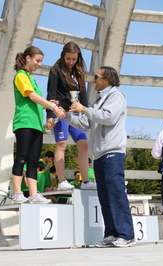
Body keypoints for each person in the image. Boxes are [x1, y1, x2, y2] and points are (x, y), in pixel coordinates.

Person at [57, 66, 135, 248]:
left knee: (116, 194)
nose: (93, 80)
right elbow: (85, 122)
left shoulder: (117, 96)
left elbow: (108, 117)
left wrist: (84, 109)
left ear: (107, 79)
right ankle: (111, 234)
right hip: (99, 156)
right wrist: (66, 115)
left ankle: (126, 235)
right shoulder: (99, 101)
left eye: (96, 77)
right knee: (105, 197)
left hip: (112, 153)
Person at [11, 45, 61, 204]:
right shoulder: (21, 75)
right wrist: (51, 106)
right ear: (28, 58)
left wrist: (47, 106)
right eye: (37, 60)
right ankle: (17, 193)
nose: (39, 64)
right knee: (21, 156)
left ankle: (33, 194)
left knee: (33, 159)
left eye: (41, 61)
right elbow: (31, 96)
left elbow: (38, 101)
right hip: (24, 121)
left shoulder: (32, 79)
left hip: (36, 124)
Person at [46, 42, 96, 191]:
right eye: (68, 58)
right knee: (62, 144)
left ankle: (86, 181)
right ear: (63, 55)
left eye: (74, 59)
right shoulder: (55, 70)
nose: (71, 62)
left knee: (84, 145)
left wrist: (87, 116)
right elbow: (51, 93)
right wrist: (49, 115)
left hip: (76, 113)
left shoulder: (79, 72)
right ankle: (62, 181)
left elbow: (84, 96)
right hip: (61, 112)